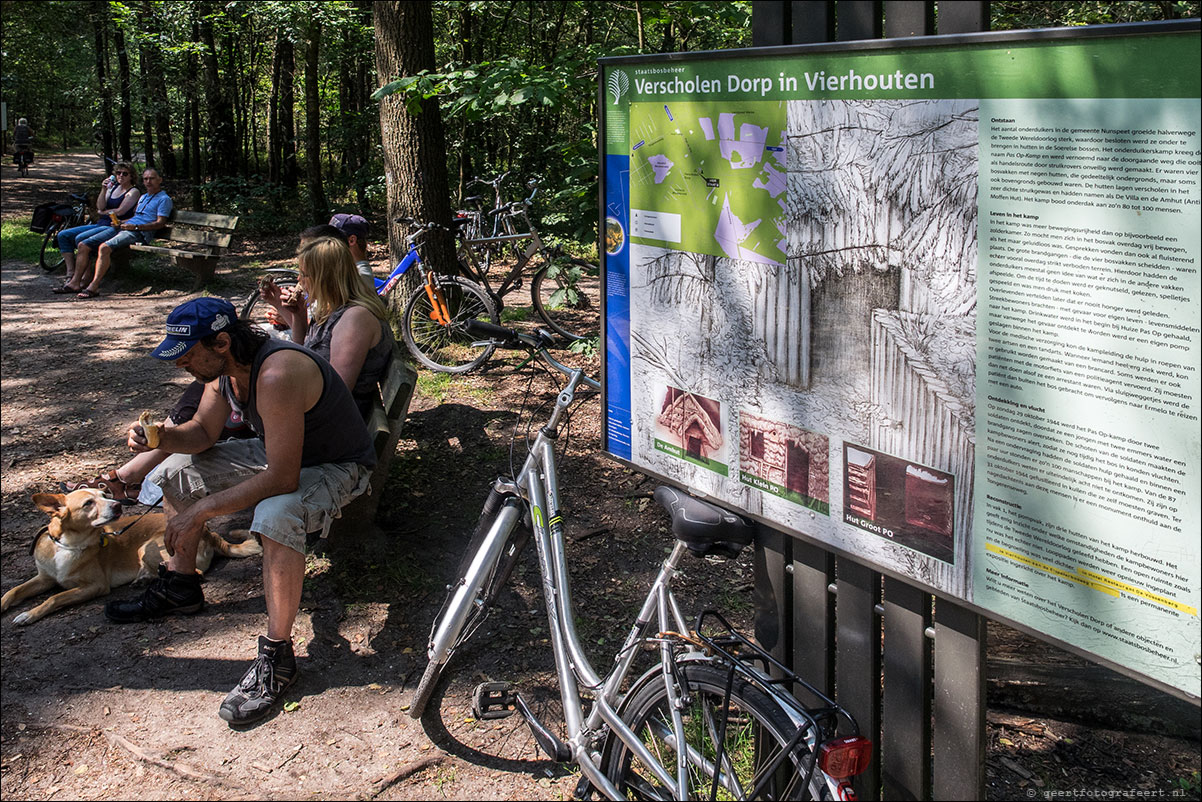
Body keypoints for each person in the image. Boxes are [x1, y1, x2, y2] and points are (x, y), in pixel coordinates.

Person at [105, 297, 376, 725]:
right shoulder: (225, 372)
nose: (181, 366)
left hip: (334, 465)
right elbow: (200, 434)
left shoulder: (277, 371)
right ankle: (180, 586)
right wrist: (159, 440)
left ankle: (277, 656)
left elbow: (283, 479)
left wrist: (201, 512)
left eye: (187, 355)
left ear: (222, 342)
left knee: (275, 514)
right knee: (176, 472)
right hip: (287, 456)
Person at [260, 236, 395, 417]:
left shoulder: (355, 319)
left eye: (304, 274)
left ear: (325, 277)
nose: (299, 280)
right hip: (317, 413)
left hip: (334, 425)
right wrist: (298, 315)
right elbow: (306, 354)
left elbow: (336, 390)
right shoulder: (333, 308)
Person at [59, 167, 172, 299]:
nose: (148, 181)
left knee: (104, 247)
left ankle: (93, 286)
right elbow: (134, 217)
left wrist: (135, 227)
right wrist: (121, 222)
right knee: (83, 244)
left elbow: (160, 223)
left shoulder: (164, 199)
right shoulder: (144, 197)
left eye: (152, 178)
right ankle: (75, 282)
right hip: (125, 227)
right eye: (146, 179)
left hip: (139, 233)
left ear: (159, 180)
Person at [51, 163, 141, 291]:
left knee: (81, 239)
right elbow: (100, 206)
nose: (121, 176)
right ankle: (70, 274)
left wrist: (104, 212)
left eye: (125, 173)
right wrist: (104, 189)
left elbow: (120, 211)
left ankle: (83, 278)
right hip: (101, 223)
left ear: (131, 176)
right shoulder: (112, 188)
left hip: (115, 226)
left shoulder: (133, 192)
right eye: (118, 173)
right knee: (63, 235)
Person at [328, 213, 375, 288]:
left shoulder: (359, 276)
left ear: (352, 240)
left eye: (334, 239)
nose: (328, 243)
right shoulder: (347, 270)